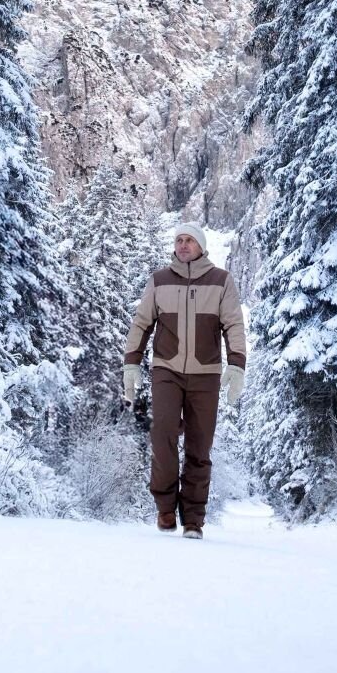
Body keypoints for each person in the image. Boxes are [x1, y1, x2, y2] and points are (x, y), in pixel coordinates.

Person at [121, 222, 247, 539]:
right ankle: (165, 509)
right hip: (167, 370)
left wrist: (237, 365)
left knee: (199, 445)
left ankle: (193, 518)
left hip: (206, 375)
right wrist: (131, 364)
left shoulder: (221, 281)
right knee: (162, 433)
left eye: (189, 240)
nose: (183, 245)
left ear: (201, 246)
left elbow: (233, 324)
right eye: (179, 240)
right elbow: (141, 323)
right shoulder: (160, 280)